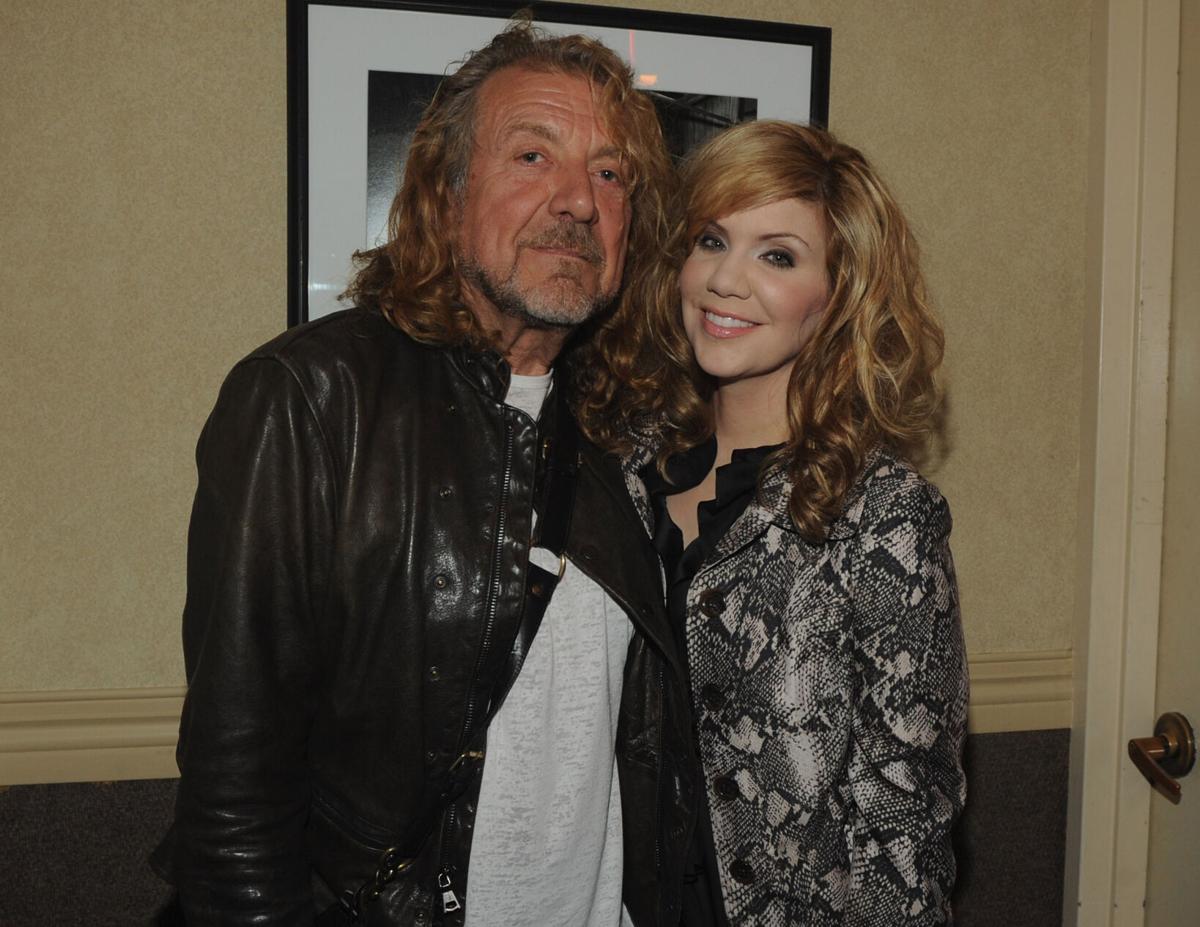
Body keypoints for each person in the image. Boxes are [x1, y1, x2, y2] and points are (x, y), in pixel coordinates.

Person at [153, 22, 698, 927]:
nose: (577, 201)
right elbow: (235, 784)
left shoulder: (625, 430)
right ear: (446, 196)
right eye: (533, 154)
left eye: (610, 174)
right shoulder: (313, 400)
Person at [591, 121, 969, 925]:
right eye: (711, 239)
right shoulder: (618, 473)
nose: (727, 279)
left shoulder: (882, 516)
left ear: (838, 296)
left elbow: (905, 832)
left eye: (778, 255)